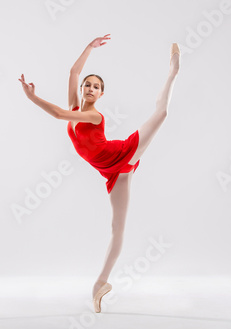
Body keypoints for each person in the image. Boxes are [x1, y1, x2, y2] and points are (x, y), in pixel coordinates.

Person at [19, 34, 180, 312]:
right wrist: (89, 48)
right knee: (117, 229)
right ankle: (100, 284)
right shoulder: (74, 107)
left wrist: (32, 97)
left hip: (122, 154)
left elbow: (57, 115)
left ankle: (173, 70)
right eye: (88, 85)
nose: (91, 89)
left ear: (101, 95)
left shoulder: (94, 116)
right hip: (113, 174)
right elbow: (74, 71)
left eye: (97, 87)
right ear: (82, 89)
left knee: (161, 114)